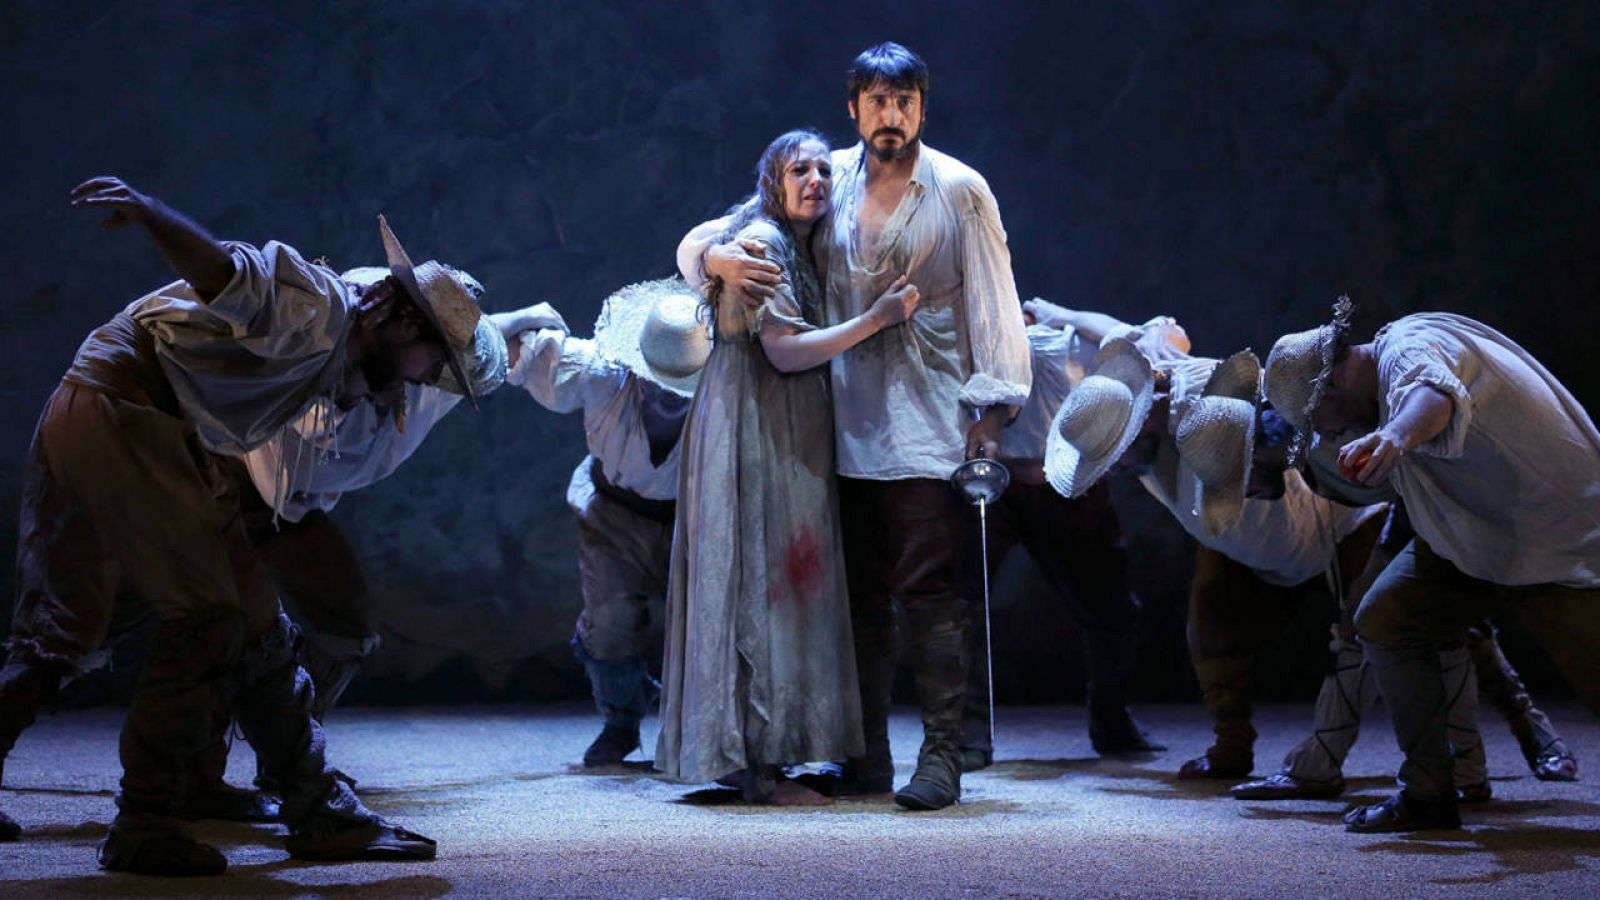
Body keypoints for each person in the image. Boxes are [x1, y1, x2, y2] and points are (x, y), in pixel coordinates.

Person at [3, 176, 459, 873]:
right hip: (123, 410)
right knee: (204, 616)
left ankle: (316, 807)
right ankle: (145, 823)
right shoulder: (316, 306)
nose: (426, 381)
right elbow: (224, 271)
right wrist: (152, 213)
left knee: (253, 618)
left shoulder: (338, 350)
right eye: (435, 361)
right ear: (399, 323)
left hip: (162, 428)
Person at [679, 42, 1032, 811]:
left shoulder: (960, 188)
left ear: (922, 109)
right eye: (877, 100)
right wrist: (718, 264)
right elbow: (709, 234)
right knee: (858, 599)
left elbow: (995, 304)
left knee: (932, 593)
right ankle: (866, 754)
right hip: (835, 420)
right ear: (854, 109)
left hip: (930, 420)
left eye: (904, 101)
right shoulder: (825, 176)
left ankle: (941, 757)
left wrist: (993, 412)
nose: (891, 115)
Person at [1263, 299, 1600, 832]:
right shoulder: (1383, 387)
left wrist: (1396, 435)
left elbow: (1433, 393)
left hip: (1561, 536)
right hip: (1480, 540)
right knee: (1384, 620)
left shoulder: (1408, 347)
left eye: (1315, 423)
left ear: (1329, 388)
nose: (1325, 436)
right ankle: (1427, 795)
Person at [657, 128, 922, 804]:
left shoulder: (796, 242)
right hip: (756, 417)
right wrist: (879, 318)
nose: (813, 180)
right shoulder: (765, 242)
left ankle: (767, 756)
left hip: (777, 418)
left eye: (820, 171)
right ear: (771, 182)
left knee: (777, 579)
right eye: (796, 169)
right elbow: (784, 351)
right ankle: (759, 770)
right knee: (755, 578)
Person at [958, 297, 1174, 771]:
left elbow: (1143, 336)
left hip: (1070, 487)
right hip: (1000, 485)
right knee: (962, 605)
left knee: (1113, 610)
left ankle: (1112, 723)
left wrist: (1069, 315)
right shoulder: (986, 341)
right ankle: (969, 733)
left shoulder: (1073, 341)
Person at [495, 280, 702, 768]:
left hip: (695, 519)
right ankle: (621, 722)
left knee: (703, 625)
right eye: (660, 379)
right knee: (611, 624)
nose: (669, 394)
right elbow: (521, 350)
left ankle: (700, 732)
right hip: (612, 518)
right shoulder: (601, 374)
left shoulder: (724, 394)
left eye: (682, 382)